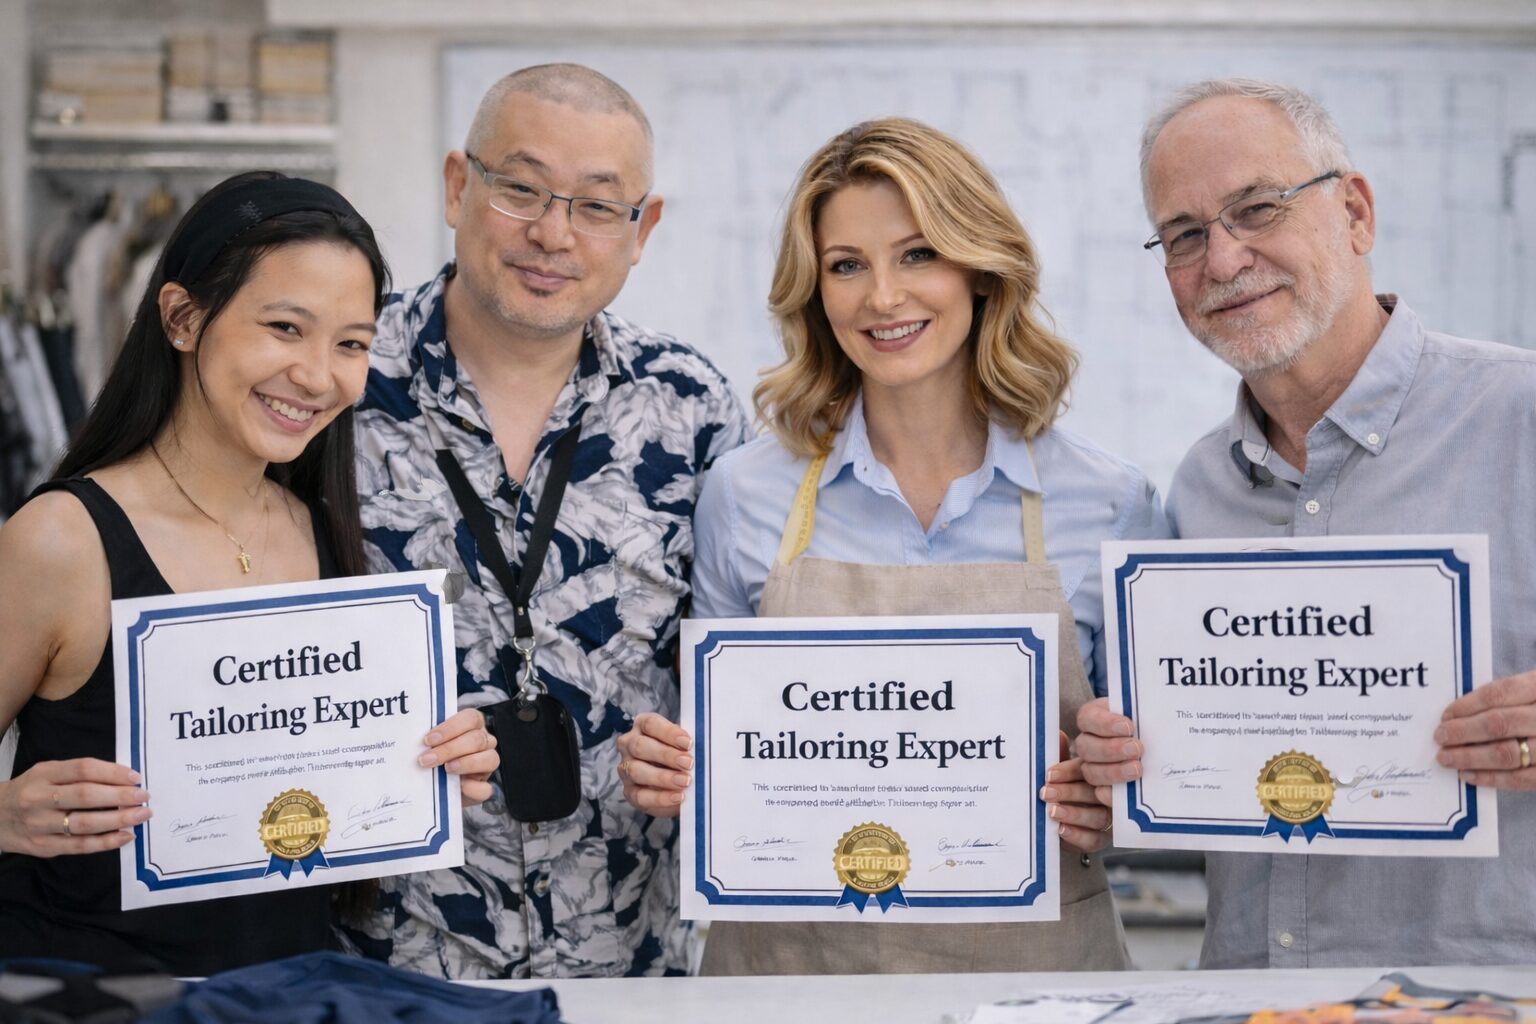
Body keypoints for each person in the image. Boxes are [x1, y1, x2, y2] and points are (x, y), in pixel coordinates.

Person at [616, 117, 1169, 975]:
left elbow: (1159, 769)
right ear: (815, 292)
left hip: (1037, 985)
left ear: (981, 270)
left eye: (917, 254)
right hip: (791, 979)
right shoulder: (743, 494)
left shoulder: (1112, 503)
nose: (882, 297)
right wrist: (672, 774)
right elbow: (718, 760)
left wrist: (1116, 800)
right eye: (846, 265)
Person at [1077, 78, 1536, 968]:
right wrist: (1123, 753)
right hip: (1246, 995)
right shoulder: (1199, 488)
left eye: (1257, 209)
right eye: (1184, 235)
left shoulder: (1522, 417)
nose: (1222, 261)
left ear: (1356, 213)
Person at [0, 171, 499, 974]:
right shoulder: (61, 540)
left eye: (351, 344)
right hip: (83, 999)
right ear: (182, 317)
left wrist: (427, 770)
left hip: (282, 992)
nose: (315, 374)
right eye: (284, 328)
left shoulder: (323, 532)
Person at [340, 64, 750, 979]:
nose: (552, 233)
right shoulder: (336, 391)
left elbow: (744, 664)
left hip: (631, 964)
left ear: (642, 230)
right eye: (520, 189)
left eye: (598, 206)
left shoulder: (694, 409)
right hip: (388, 965)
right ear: (458, 185)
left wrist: (711, 760)